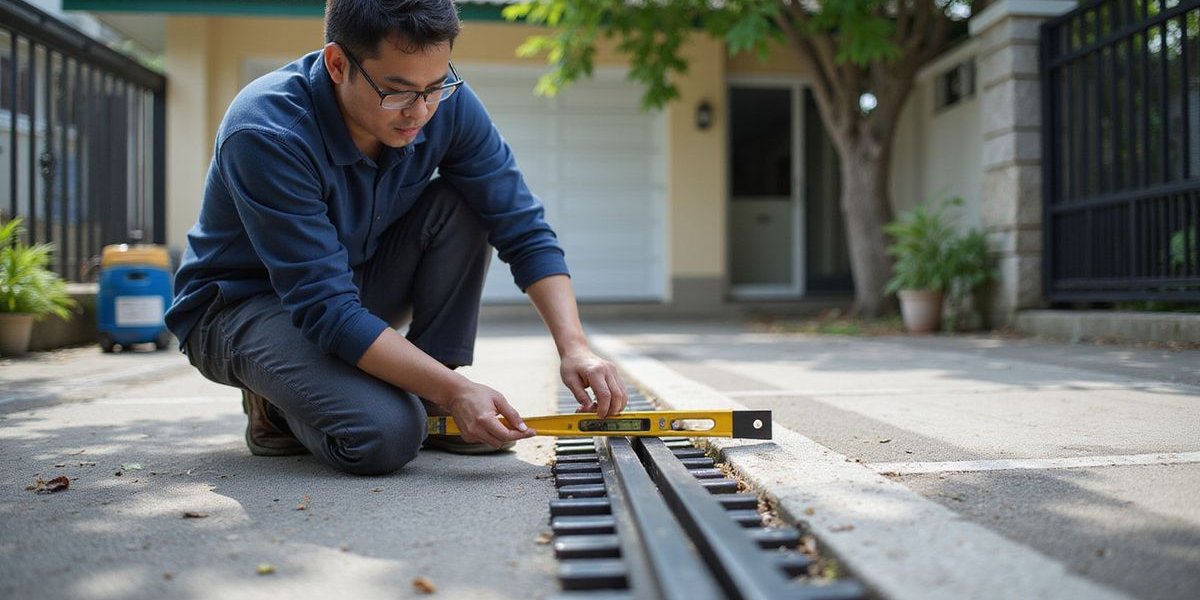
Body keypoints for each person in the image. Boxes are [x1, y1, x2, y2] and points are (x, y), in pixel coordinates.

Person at [165, 0, 628, 475]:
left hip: (349, 289)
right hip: (241, 309)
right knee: (384, 434)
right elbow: (325, 307)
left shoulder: (444, 103)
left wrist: (574, 346)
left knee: (466, 204)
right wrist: (457, 392)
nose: (420, 111)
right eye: (398, 91)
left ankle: (430, 392)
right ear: (338, 64)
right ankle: (277, 405)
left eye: (435, 87)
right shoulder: (267, 131)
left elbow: (521, 224)